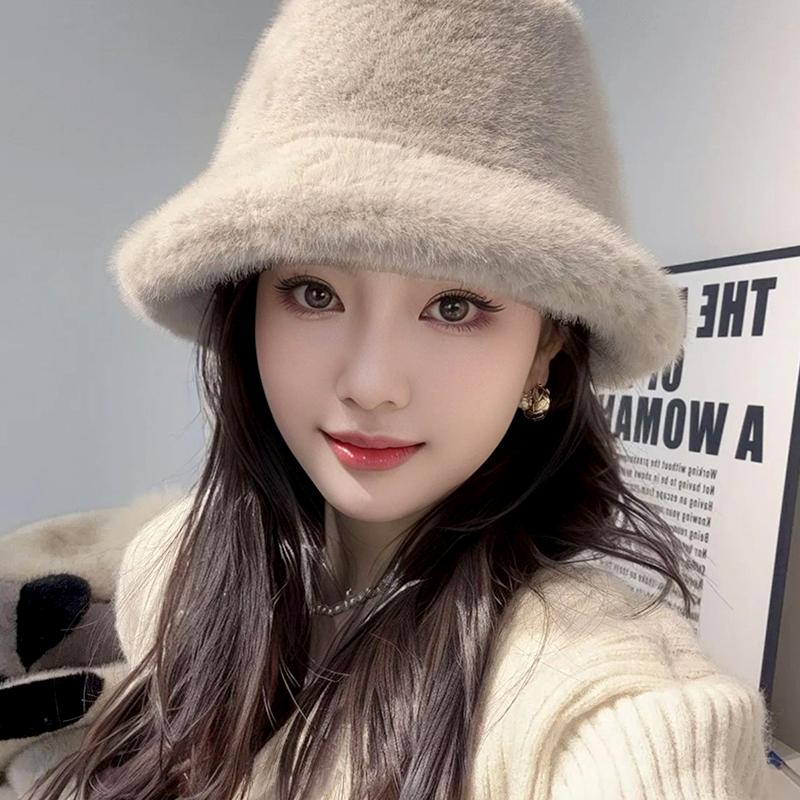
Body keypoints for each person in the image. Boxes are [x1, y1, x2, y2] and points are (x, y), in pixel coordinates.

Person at [28, 1, 773, 799]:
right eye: (313, 292)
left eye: (454, 306)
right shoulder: (175, 569)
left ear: (547, 347)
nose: (371, 383)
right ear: (250, 309)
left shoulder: (606, 704)